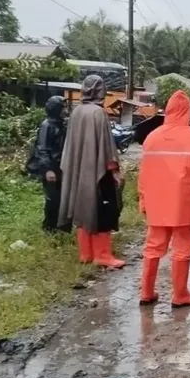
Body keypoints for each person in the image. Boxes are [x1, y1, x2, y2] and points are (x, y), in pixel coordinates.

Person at [138, 90, 190, 308]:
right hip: (183, 205)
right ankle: (180, 294)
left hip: (156, 204)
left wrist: (144, 201)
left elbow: (143, 175)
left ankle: (146, 292)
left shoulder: (152, 138)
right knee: (183, 249)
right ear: (187, 112)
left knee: (153, 247)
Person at [58, 75, 126, 269]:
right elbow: (106, 147)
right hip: (98, 171)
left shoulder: (76, 112)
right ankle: (102, 255)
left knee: (82, 209)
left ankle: (85, 253)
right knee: (103, 209)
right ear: (100, 91)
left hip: (78, 170)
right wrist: (114, 172)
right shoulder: (99, 113)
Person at [26, 96, 70, 233]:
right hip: (52, 168)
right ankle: (50, 229)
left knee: (63, 199)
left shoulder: (61, 124)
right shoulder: (47, 125)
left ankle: (62, 228)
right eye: (62, 107)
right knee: (53, 200)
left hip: (61, 168)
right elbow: (42, 149)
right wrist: (48, 170)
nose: (65, 110)